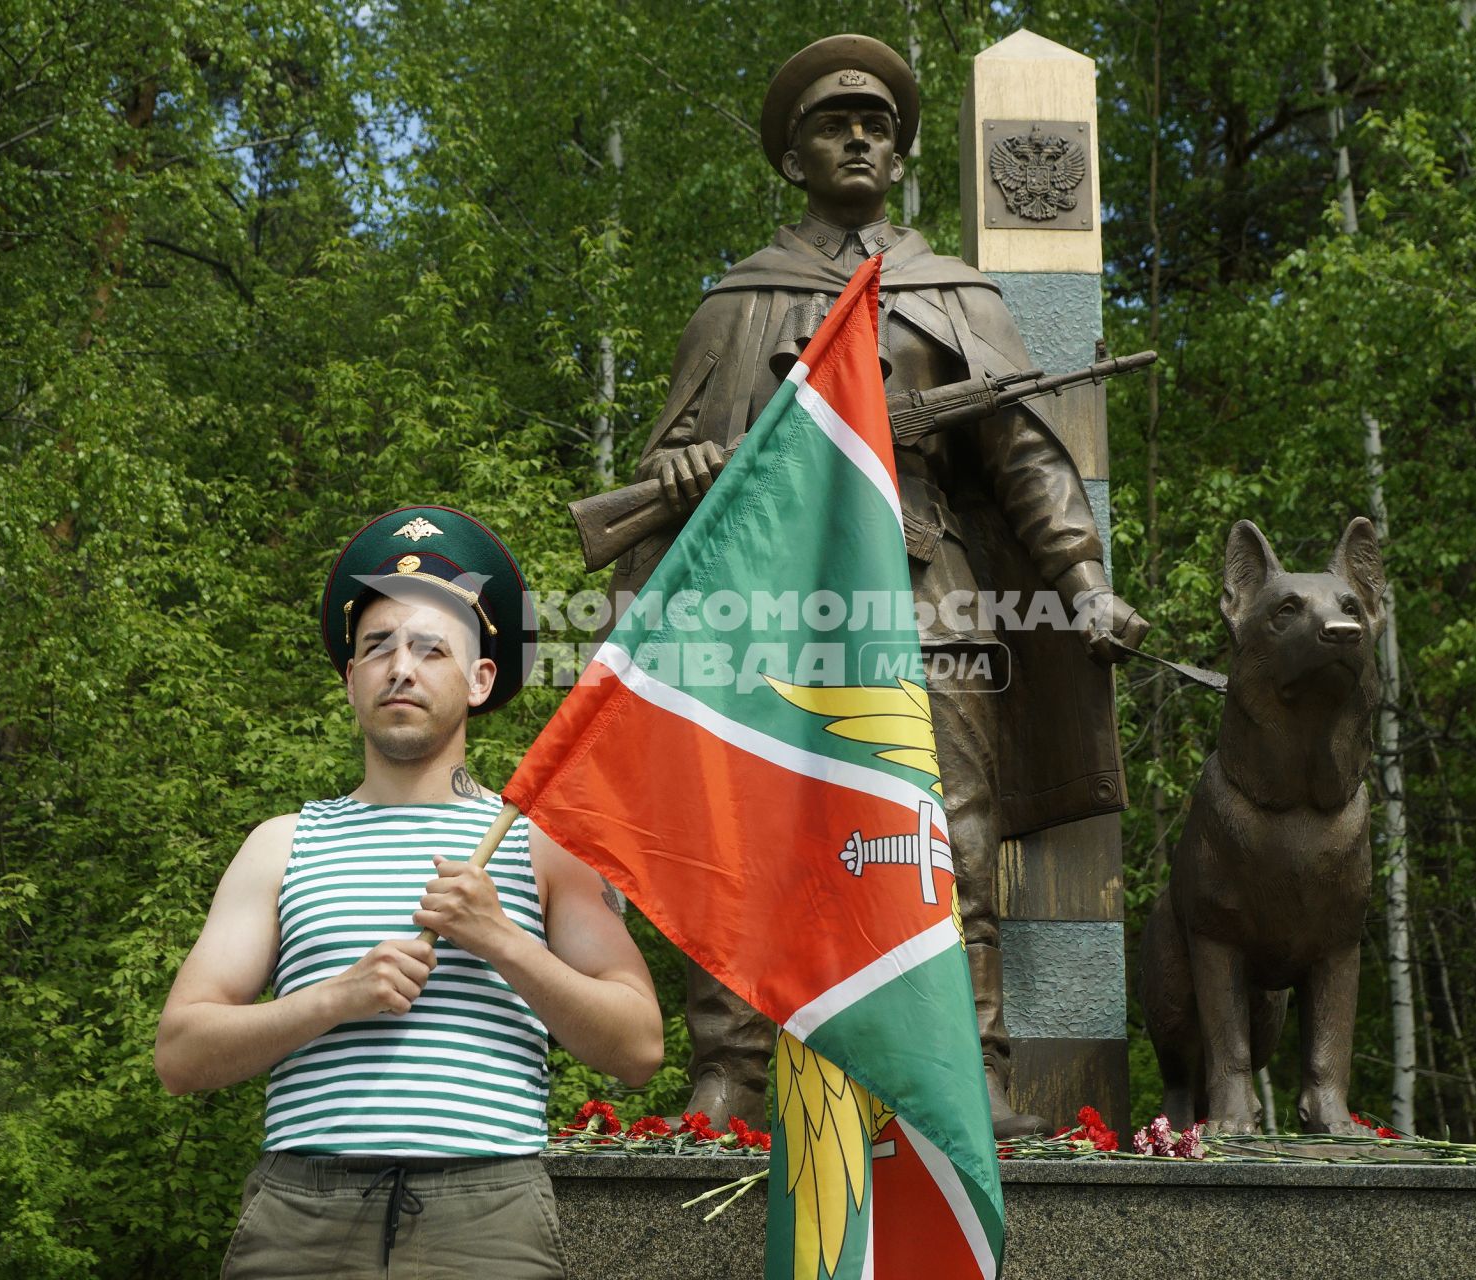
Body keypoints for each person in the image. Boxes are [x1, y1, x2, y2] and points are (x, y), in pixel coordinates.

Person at [611, 34, 1149, 1139]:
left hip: (926, 591)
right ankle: (734, 1072)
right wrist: (673, 468)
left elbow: (1025, 461)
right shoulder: (735, 305)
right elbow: (668, 476)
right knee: (750, 826)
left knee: (946, 832)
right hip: (769, 604)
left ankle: (970, 1066)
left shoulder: (949, 294)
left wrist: (1082, 581)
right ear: (790, 157)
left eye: (876, 127)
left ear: (899, 159)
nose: (857, 137)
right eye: (830, 122)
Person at [156, 506, 662, 1279]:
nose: (402, 667)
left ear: (481, 677)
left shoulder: (537, 843)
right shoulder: (281, 845)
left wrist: (499, 938)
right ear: (350, 678)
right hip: (303, 1211)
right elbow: (181, 1054)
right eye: (378, 648)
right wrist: (335, 998)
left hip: (488, 1212)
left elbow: (637, 1047)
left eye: (432, 649)